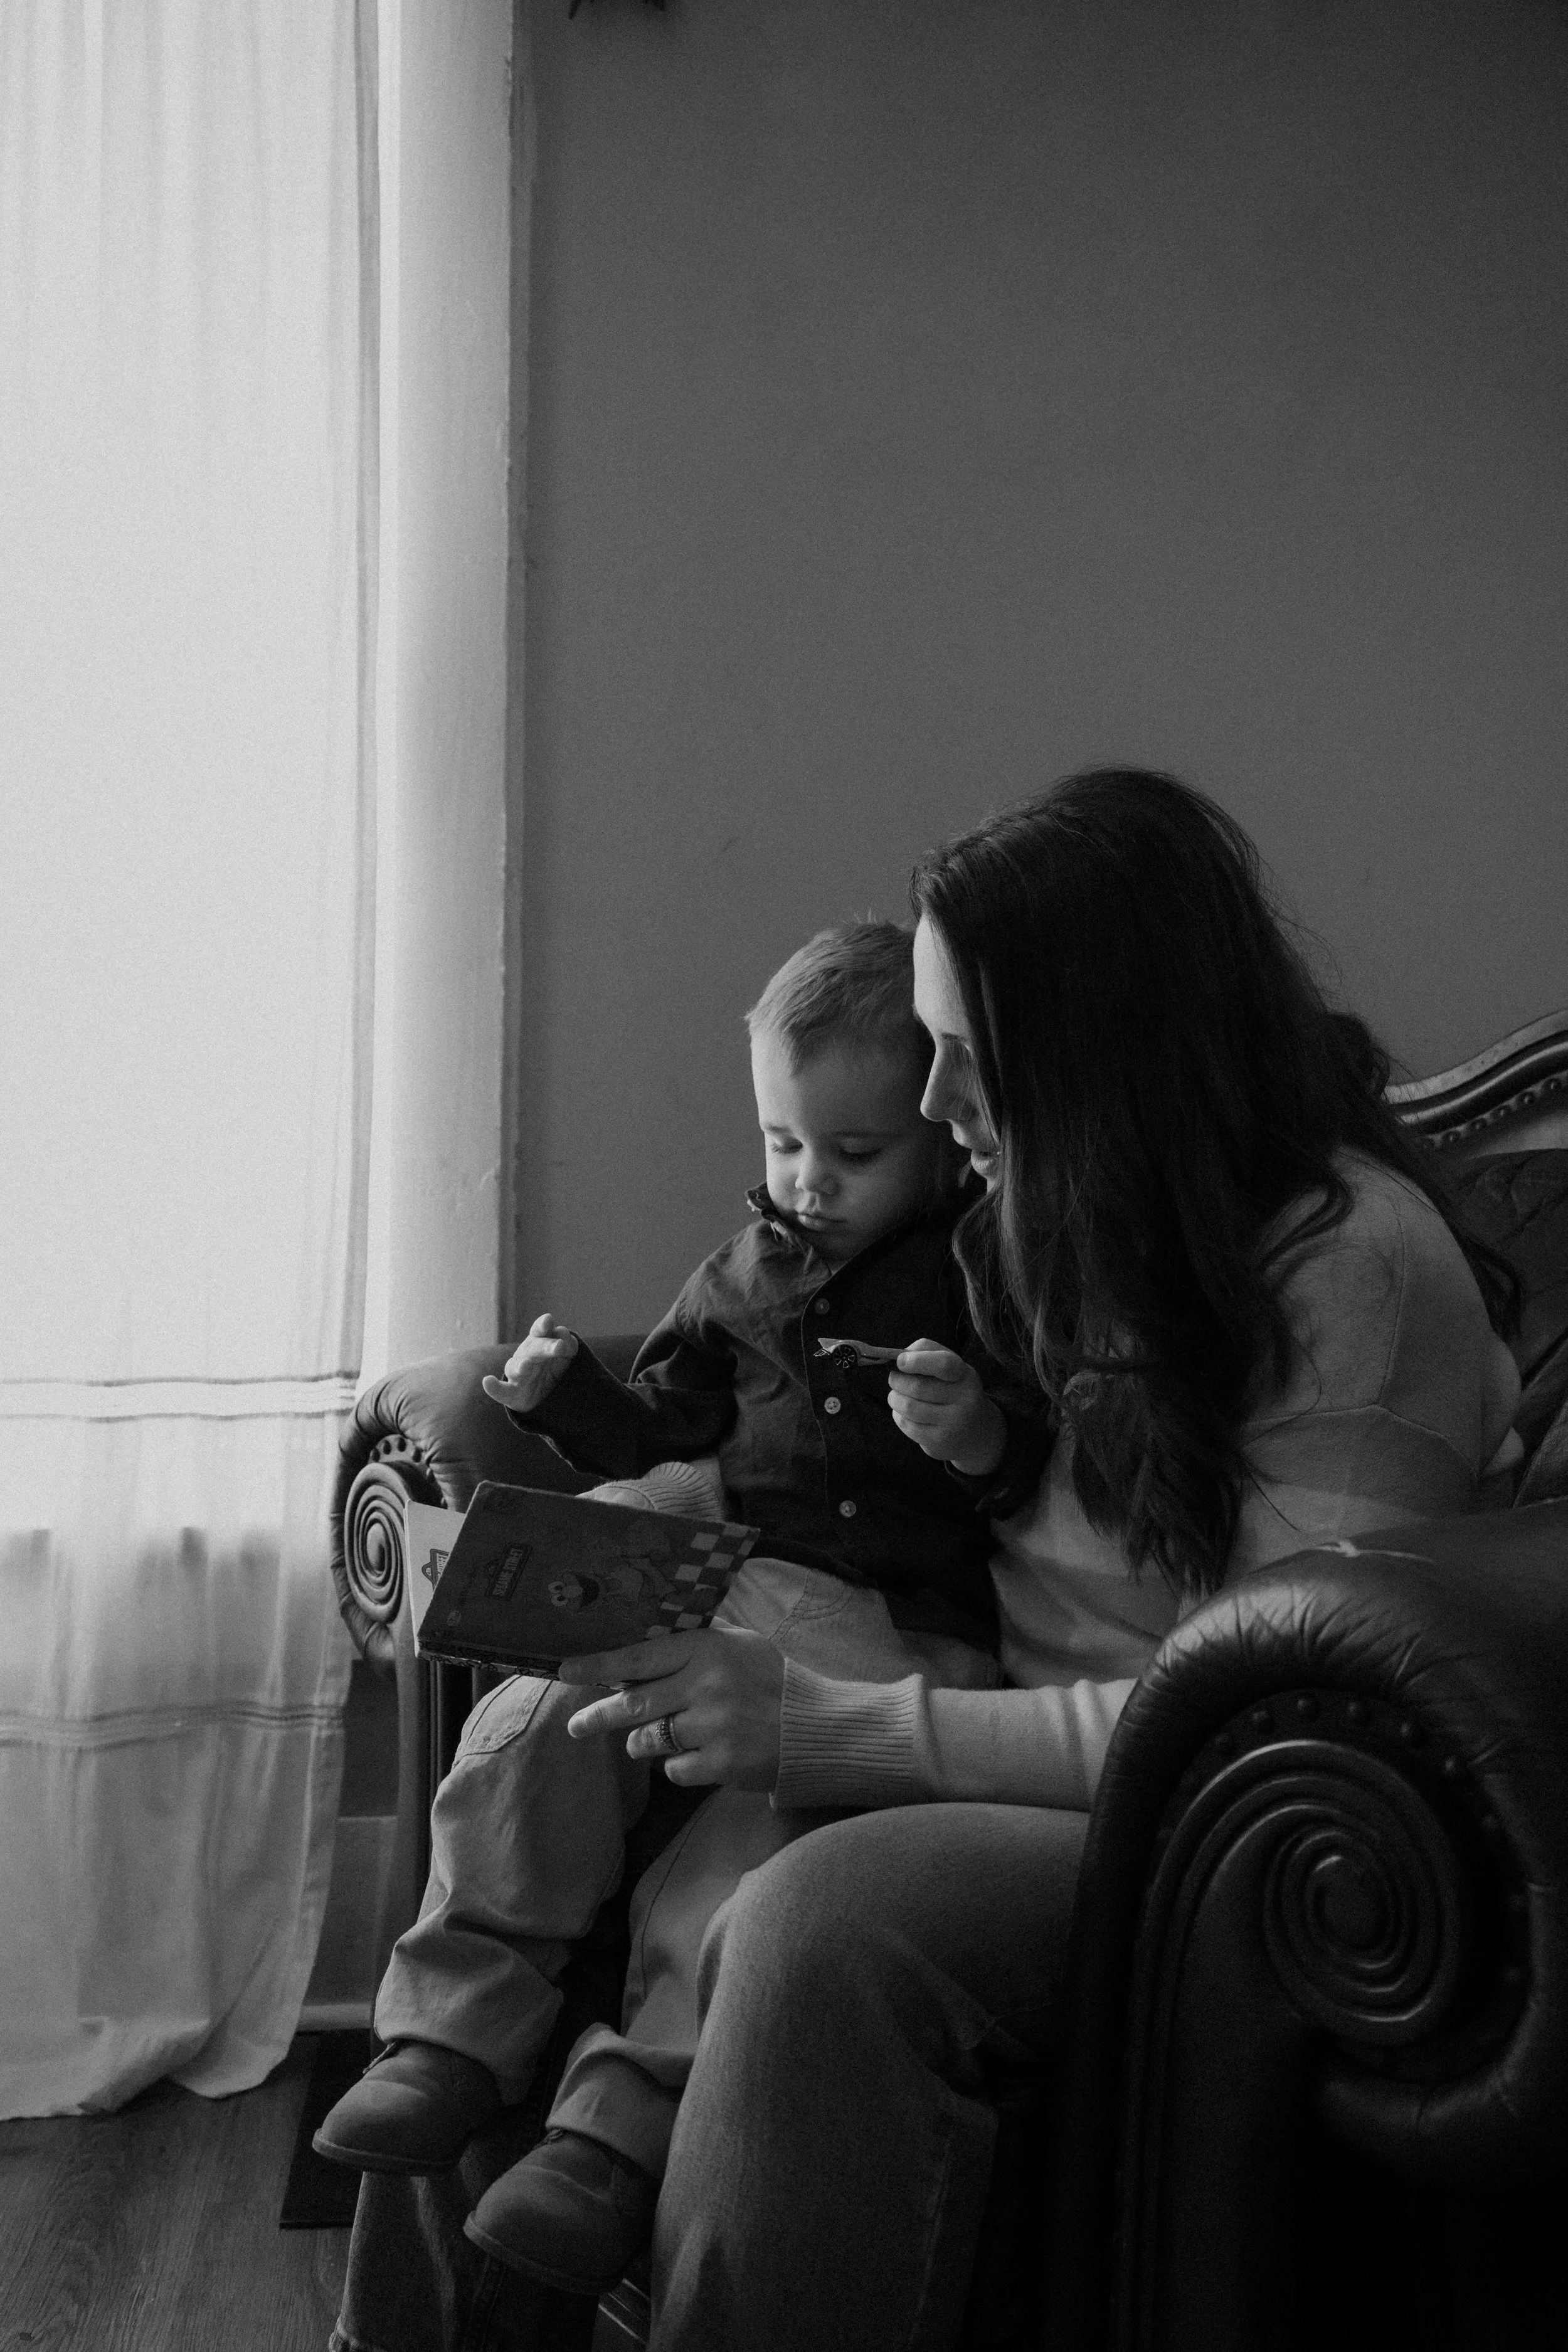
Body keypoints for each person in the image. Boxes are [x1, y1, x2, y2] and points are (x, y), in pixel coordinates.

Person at [532, 770, 1523, 2351]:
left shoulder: (1353, 1277)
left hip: (1197, 1831)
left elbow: (1259, 1728)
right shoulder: (1075, 1220)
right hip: (1009, 1721)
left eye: (969, 1064)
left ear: (1110, 1056)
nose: (934, 1113)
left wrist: (825, 1725)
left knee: (814, 1922)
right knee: (556, 1716)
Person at [314, 919, 1050, 2295]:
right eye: (783, 1145)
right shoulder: (740, 1273)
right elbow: (666, 1414)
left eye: (851, 1154)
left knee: (750, 1842)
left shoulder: (984, 1270)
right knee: (537, 1720)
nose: (809, 1185)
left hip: (898, 1631)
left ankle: (615, 2127)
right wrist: (555, 1399)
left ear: (943, 1132)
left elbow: (1055, 1475)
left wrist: (977, 1440)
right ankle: (451, 2031)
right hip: (731, 1584)